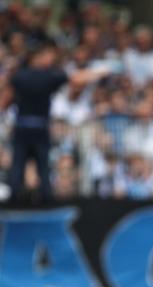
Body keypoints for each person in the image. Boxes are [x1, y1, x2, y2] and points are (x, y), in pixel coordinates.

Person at [9, 42, 108, 203]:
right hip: (40, 128)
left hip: (21, 127)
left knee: (18, 168)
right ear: (37, 58)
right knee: (43, 169)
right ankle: (46, 203)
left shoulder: (19, 76)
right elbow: (75, 78)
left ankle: (13, 203)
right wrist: (99, 72)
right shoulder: (48, 76)